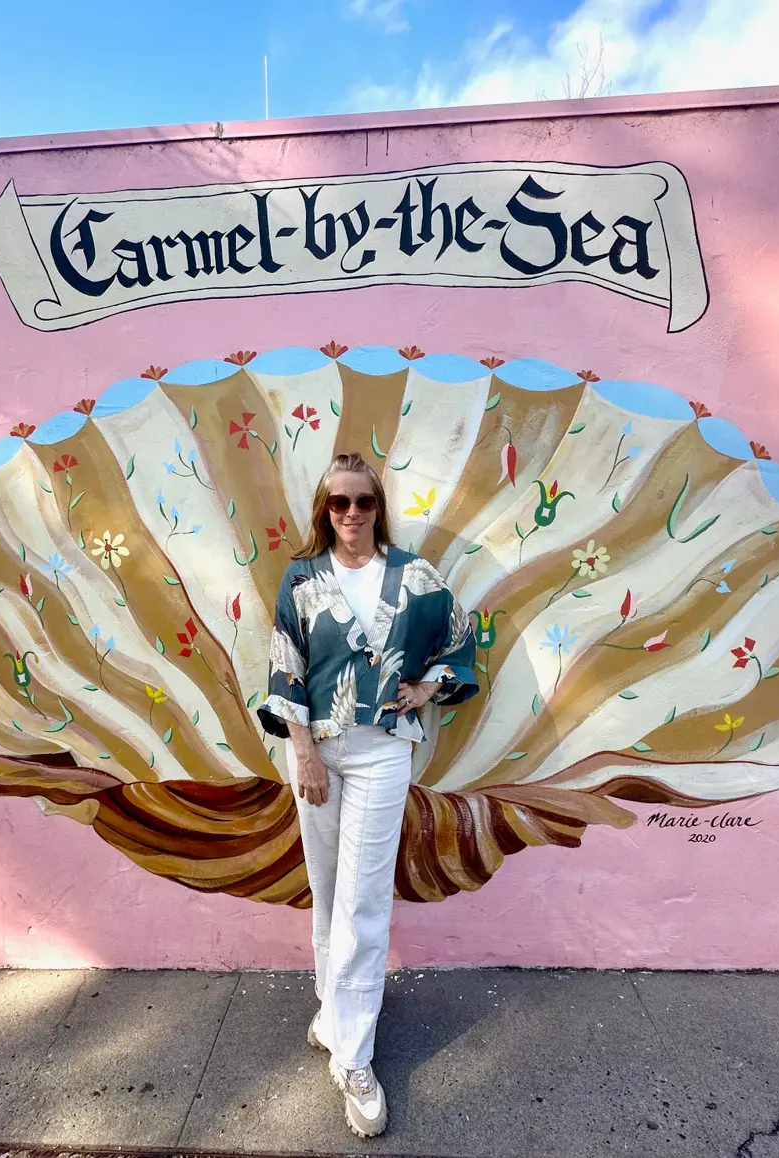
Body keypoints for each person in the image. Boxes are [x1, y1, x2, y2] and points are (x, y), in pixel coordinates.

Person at [257, 452, 478, 1138]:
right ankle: (333, 1010)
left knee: (364, 896)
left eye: (363, 502)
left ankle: (354, 1056)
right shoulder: (301, 577)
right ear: (324, 513)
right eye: (338, 504)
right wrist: (304, 756)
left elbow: (462, 638)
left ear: (379, 506)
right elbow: (284, 667)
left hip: (383, 750)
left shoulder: (414, 576)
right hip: (318, 752)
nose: (351, 514)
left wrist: (428, 686)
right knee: (327, 888)